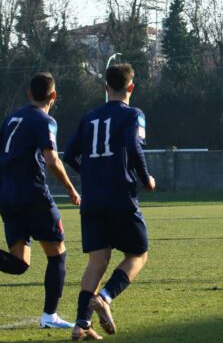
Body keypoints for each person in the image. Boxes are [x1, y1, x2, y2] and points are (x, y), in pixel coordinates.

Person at [0, 72, 81, 330]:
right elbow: (52, 160)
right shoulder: (46, 120)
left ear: (29, 93)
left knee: (20, 263)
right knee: (58, 255)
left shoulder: (11, 119)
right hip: (33, 195)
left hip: (7, 196)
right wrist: (73, 191)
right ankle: (49, 316)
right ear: (53, 96)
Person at [63, 63, 156, 341]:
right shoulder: (133, 115)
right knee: (139, 255)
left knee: (97, 261)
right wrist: (146, 177)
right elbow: (134, 145)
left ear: (106, 88)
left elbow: (69, 155)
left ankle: (81, 324)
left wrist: (90, 173)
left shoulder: (89, 117)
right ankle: (105, 297)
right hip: (120, 196)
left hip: (92, 199)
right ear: (131, 87)